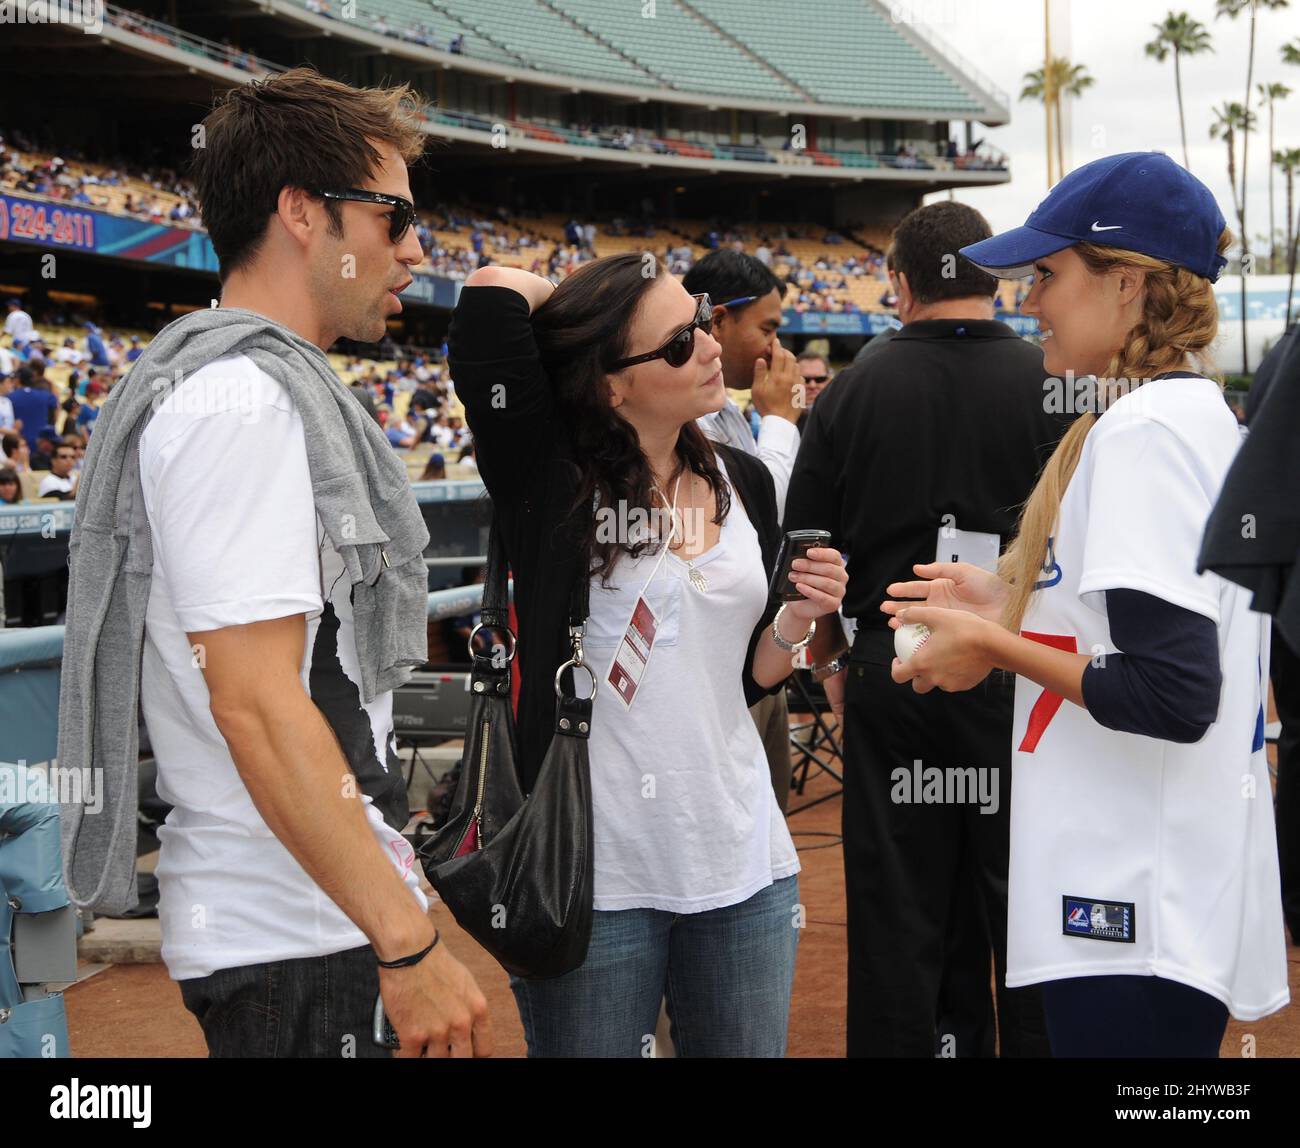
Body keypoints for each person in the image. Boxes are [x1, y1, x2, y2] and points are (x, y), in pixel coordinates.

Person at [58, 66, 491, 1058]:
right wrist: (408, 939)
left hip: (308, 920)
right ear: (304, 212)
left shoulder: (249, 391)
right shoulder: (240, 404)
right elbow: (254, 701)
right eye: (394, 217)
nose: (416, 250)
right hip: (300, 934)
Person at [887, 152, 1289, 1056]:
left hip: (1133, 905)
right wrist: (1008, 604)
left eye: (1049, 274)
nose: (1030, 302)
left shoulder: (1143, 430)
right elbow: (1144, 632)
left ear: (1127, 284)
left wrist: (993, 648)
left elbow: (1173, 695)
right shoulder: (1187, 414)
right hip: (1154, 892)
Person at [446, 255, 847, 1057]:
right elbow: (490, 294)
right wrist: (595, 307)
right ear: (610, 384)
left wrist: (798, 618)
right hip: (594, 875)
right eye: (674, 345)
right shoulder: (549, 479)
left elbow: (742, 676)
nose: (707, 347)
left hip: (744, 862)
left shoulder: (742, 480)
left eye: (699, 320)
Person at [786, 201, 1068, 1058]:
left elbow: (806, 556)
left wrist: (838, 657)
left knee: (897, 908)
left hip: (893, 668)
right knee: (1021, 903)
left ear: (901, 286)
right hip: (1016, 672)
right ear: (993, 275)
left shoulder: (851, 389)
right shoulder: (1050, 379)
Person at [682, 249, 803, 813]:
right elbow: (757, 514)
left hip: (752, 652)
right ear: (721, 320)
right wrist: (779, 420)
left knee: (766, 819)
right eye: (768, 328)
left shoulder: (726, 407)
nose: (777, 347)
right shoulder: (686, 411)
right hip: (713, 669)